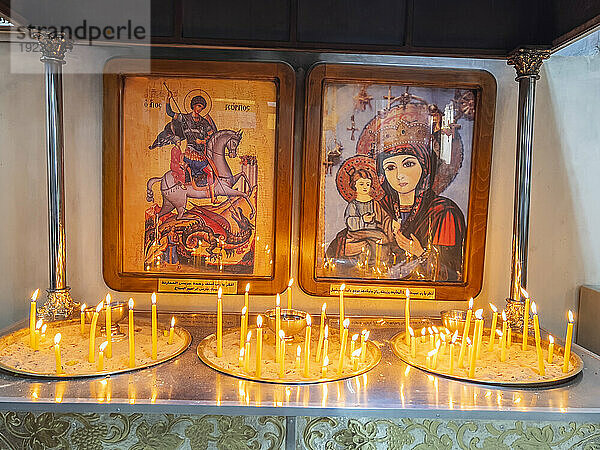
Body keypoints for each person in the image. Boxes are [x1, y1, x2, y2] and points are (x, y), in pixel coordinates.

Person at [377, 141, 465, 281]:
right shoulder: (381, 208)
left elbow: (452, 273)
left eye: (408, 164)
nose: (399, 175)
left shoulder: (443, 212)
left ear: (424, 167)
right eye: (390, 167)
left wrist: (419, 252)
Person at [342, 167, 388, 264]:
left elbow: (384, 218)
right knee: (368, 246)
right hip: (357, 233)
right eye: (361, 184)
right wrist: (363, 219)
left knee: (382, 242)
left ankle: (380, 266)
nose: (365, 187)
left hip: (374, 232)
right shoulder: (353, 204)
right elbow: (349, 221)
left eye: (367, 184)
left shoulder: (375, 203)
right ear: (355, 185)